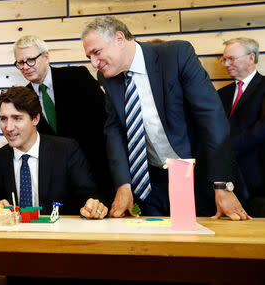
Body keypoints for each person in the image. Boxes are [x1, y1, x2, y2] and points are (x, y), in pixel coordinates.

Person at [81, 16, 250, 220]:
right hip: (153, 184)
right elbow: (114, 131)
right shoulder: (107, 78)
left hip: (203, 179)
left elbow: (212, 118)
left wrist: (222, 184)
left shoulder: (176, 55)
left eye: (96, 52)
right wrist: (123, 185)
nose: (93, 63)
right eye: (89, 56)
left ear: (119, 39)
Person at [13, 35, 113, 205]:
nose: (25, 67)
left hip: (97, 176)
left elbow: (108, 121)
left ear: (46, 57)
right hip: (58, 189)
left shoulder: (77, 77)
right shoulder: (22, 99)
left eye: (30, 60)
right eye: (20, 63)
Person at [0, 86, 108, 218]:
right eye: (4, 119)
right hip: (13, 236)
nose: (8, 127)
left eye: (17, 118)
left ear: (35, 119)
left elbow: (89, 196)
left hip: (59, 235)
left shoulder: (66, 151)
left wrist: (92, 206)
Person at [218, 37, 265, 217]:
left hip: (257, 180)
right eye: (224, 59)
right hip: (226, 181)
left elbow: (262, 128)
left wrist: (227, 149)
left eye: (232, 58)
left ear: (251, 58)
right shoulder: (221, 94)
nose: (226, 64)